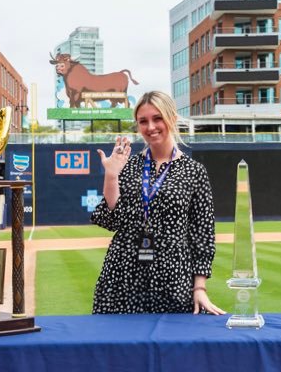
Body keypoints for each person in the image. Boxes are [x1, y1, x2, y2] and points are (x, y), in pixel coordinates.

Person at [91, 90, 225, 315]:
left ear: (171, 118)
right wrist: (111, 176)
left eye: (157, 118)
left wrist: (199, 286)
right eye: (143, 121)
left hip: (173, 279)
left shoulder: (194, 171)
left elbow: (203, 234)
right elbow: (110, 218)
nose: (150, 127)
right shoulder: (129, 165)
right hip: (122, 275)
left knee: (173, 347)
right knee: (117, 346)